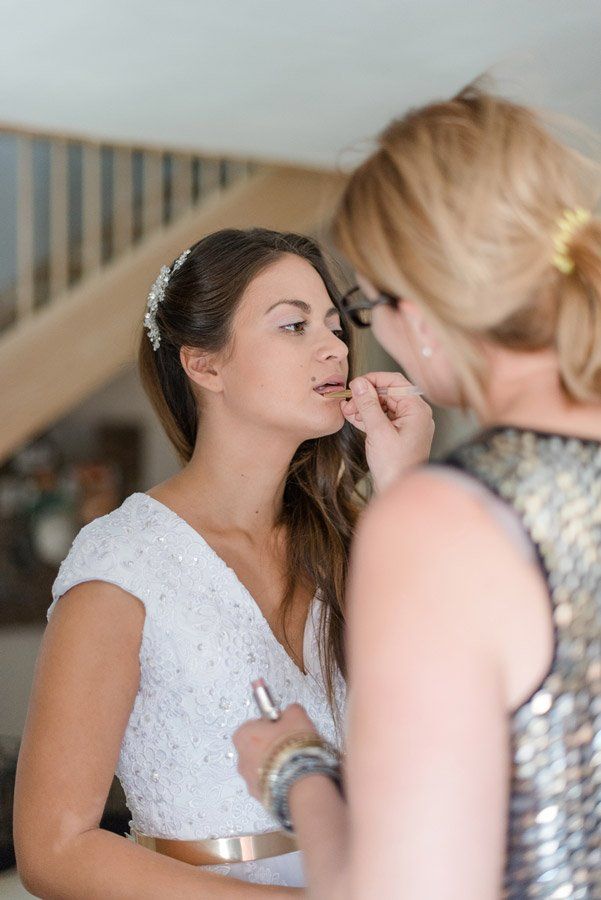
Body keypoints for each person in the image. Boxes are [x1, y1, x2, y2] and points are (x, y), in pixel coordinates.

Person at [234, 87, 601, 898]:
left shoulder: (447, 521)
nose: (346, 341)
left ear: (418, 306)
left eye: (357, 308)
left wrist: (299, 776)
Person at [13, 227, 433, 897]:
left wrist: (404, 485)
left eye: (333, 324)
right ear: (204, 366)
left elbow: (447, 722)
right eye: (293, 325)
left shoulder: (356, 538)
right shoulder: (125, 561)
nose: (333, 347)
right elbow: (55, 850)